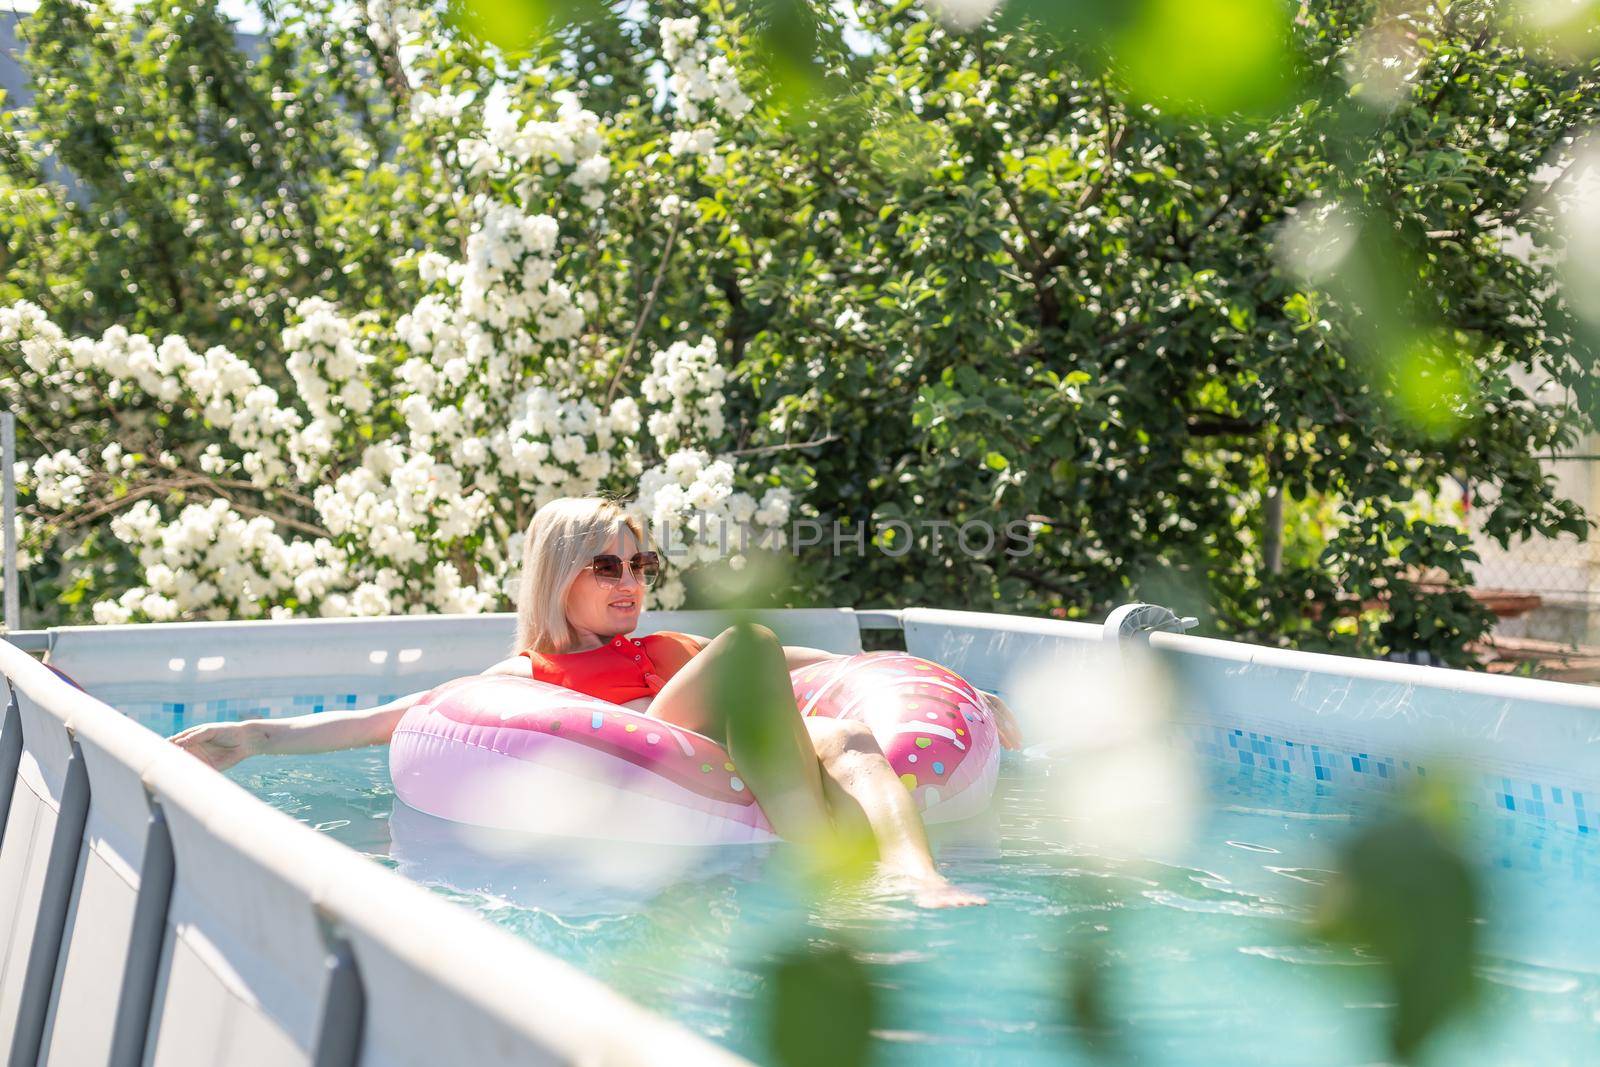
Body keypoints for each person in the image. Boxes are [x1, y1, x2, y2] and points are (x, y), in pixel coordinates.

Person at [171, 496, 1022, 908]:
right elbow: (379, 721)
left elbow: (840, 663)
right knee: (752, 644)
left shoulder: (662, 651)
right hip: (649, 762)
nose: (630, 582)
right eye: (606, 565)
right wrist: (251, 735)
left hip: (733, 769)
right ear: (558, 574)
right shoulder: (522, 677)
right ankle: (824, 869)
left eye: (640, 565)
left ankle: (914, 876)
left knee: (844, 728)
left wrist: (966, 691)